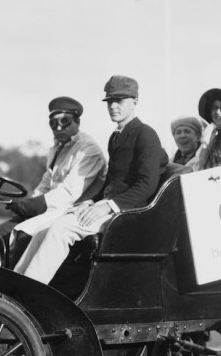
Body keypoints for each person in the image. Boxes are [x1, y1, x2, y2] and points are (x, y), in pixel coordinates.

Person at [14, 75, 168, 285]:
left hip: (130, 213)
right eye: (110, 101)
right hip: (109, 207)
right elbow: (112, 182)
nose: (113, 106)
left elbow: (146, 185)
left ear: (134, 102)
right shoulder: (116, 136)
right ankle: (13, 288)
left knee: (62, 228)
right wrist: (91, 200)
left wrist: (108, 206)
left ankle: (27, 293)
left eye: (119, 101)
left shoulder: (145, 134)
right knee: (45, 226)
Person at [0, 97, 106, 256]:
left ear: (77, 122)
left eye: (65, 121)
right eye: (53, 123)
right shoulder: (57, 148)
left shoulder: (88, 149)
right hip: (51, 208)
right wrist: (30, 203)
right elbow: (46, 183)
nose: (58, 127)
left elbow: (69, 194)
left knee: (22, 234)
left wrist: (31, 206)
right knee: (0, 231)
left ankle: (19, 279)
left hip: (73, 210)